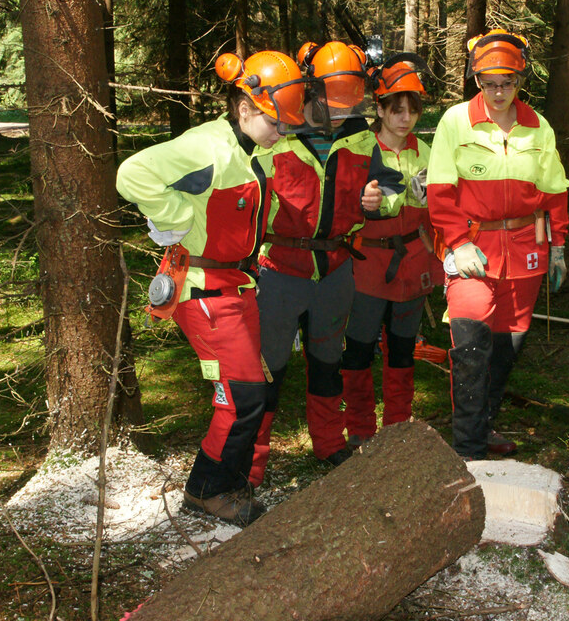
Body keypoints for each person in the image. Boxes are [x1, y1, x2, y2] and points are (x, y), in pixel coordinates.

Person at [115, 50, 307, 525]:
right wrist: (174, 218)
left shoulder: (249, 149)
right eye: (274, 122)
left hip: (236, 282)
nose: (280, 132)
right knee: (242, 396)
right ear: (244, 108)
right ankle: (206, 490)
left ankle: (231, 478)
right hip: (202, 286)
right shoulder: (209, 149)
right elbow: (132, 173)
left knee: (253, 391)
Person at [254, 40, 404, 470]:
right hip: (280, 269)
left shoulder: (359, 135)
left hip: (335, 269)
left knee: (327, 362)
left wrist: (379, 199)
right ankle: (253, 462)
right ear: (311, 90)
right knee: (269, 367)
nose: (340, 115)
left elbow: (390, 187)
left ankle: (329, 445)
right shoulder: (274, 132)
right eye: (332, 106)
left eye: (348, 106)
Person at [427, 28, 569, 460]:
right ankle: (467, 449)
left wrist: (558, 245)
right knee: (469, 346)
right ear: (477, 81)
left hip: (526, 249)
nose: (499, 91)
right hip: (472, 247)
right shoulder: (456, 121)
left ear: (520, 81)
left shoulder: (536, 126)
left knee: (507, 350)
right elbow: (439, 190)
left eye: (507, 82)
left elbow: (554, 190)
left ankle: (484, 426)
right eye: (490, 83)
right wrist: (456, 242)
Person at [340, 54, 442, 448]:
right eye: (396, 109)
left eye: (412, 110)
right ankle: (361, 430)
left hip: (412, 261)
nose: (405, 119)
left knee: (402, 349)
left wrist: (438, 261)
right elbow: (333, 209)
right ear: (378, 108)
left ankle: (399, 428)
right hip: (367, 262)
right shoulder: (355, 149)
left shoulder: (427, 152)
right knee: (359, 349)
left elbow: (437, 212)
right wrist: (359, 203)